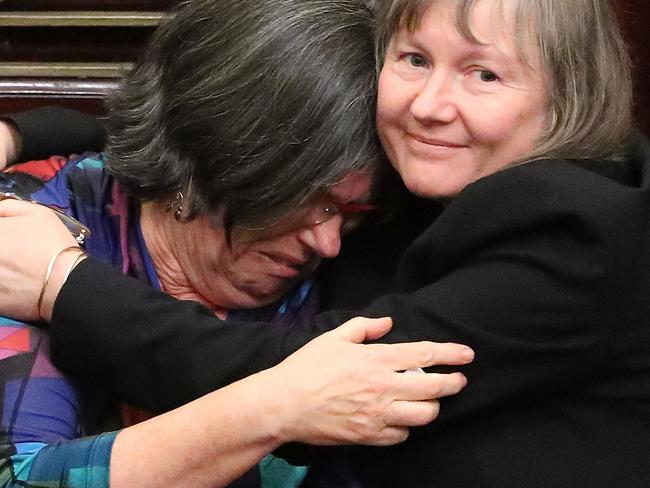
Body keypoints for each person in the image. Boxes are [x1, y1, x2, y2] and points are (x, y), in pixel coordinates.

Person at [2, 0, 649, 486]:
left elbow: (310, 374)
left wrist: (66, 285)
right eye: (415, 60)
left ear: (565, 99)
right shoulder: (429, 177)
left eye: (484, 74)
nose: (429, 105)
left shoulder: (574, 231)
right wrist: (21, 136)